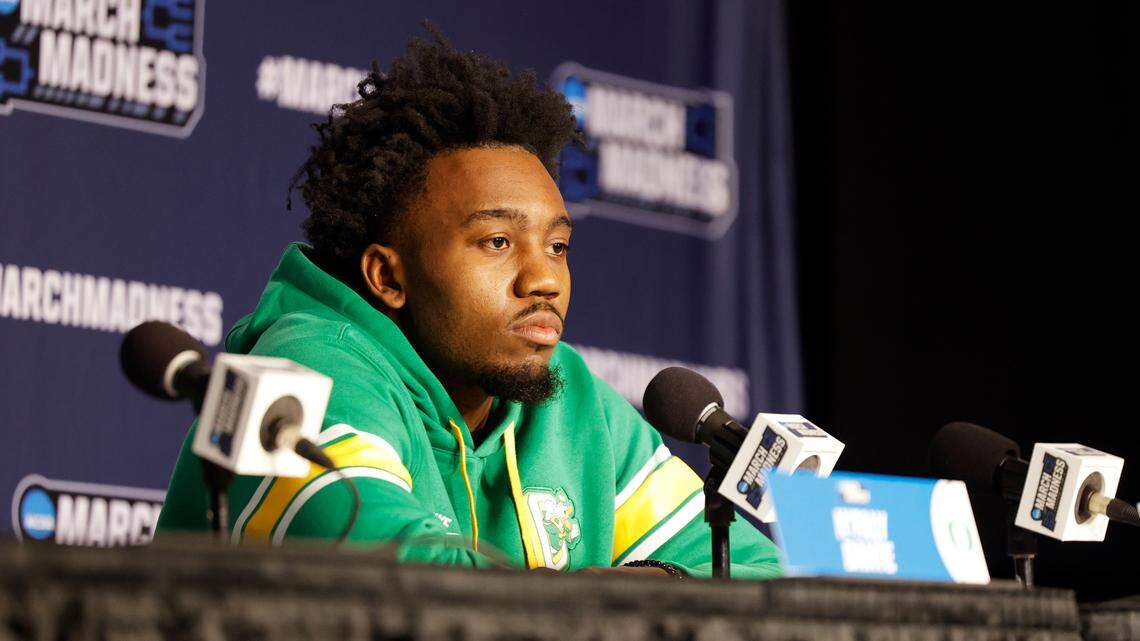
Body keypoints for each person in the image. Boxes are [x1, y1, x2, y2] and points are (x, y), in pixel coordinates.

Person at [157, 28, 782, 579]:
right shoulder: (305, 367)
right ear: (387, 277)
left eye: (558, 245)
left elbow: (755, 575)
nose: (544, 280)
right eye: (498, 242)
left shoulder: (570, 396)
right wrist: (624, 598)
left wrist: (655, 585)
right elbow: (405, 583)